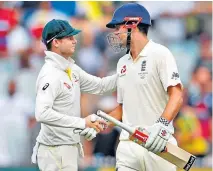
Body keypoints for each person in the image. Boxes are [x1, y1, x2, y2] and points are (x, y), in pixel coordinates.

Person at [105, 3, 183, 171]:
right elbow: (122, 108)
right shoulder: (122, 63)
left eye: (118, 27)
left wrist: (161, 127)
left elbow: (177, 95)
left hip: (159, 143)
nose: (115, 33)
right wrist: (100, 123)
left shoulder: (160, 53)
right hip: (128, 145)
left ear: (132, 25)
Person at [32, 19, 118, 171]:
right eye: (69, 38)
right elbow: (42, 114)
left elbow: (100, 85)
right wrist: (82, 123)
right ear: (56, 42)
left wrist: (127, 71)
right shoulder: (50, 74)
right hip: (53, 151)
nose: (74, 41)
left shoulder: (71, 68)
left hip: (68, 148)